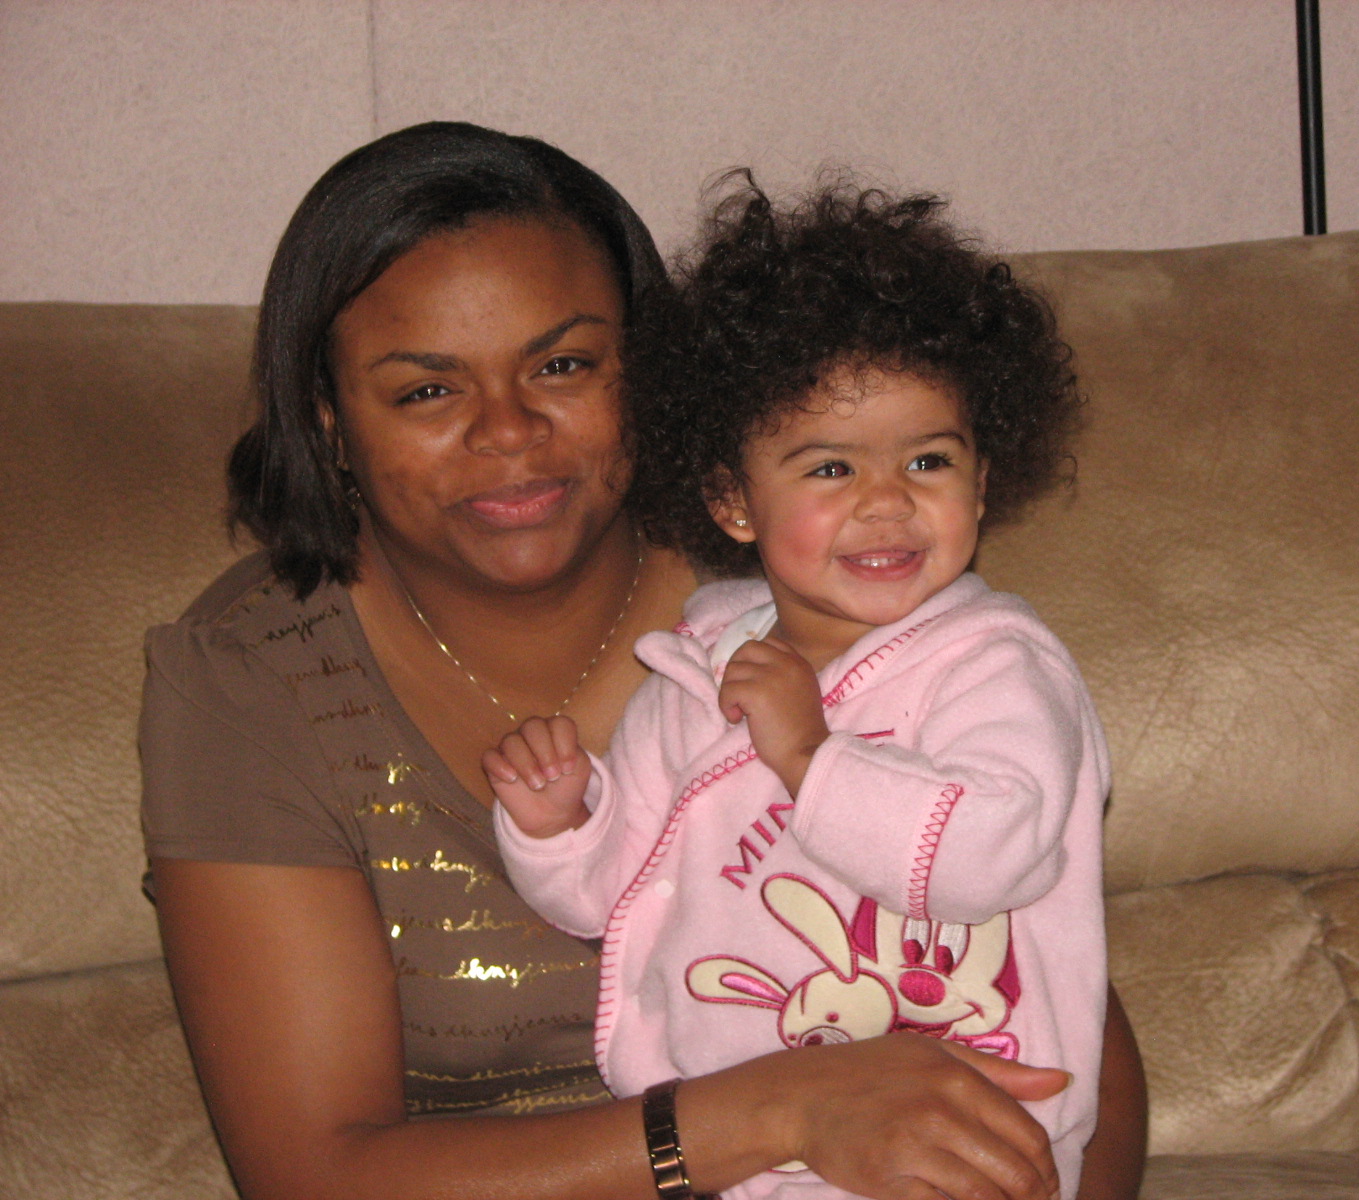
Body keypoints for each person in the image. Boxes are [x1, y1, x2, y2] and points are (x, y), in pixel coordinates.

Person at [140, 121, 1146, 1200]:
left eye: (563, 365)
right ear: (332, 422)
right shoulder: (256, 679)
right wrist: (778, 1111)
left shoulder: (822, 586)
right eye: (428, 390)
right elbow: (314, 1178)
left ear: (653, 379)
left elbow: (1053, 1002)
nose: (509, 430)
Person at [488, 177, 1109, 1200]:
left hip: (955, 1136)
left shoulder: (996, 664)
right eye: (829, 470)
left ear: (984, 479)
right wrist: (559, 824)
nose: (886, 503)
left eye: (928, 460)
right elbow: (613, 895)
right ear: (733, 500)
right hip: (741, 1138)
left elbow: (994, 850)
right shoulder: (696, 672)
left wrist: (811, 757)